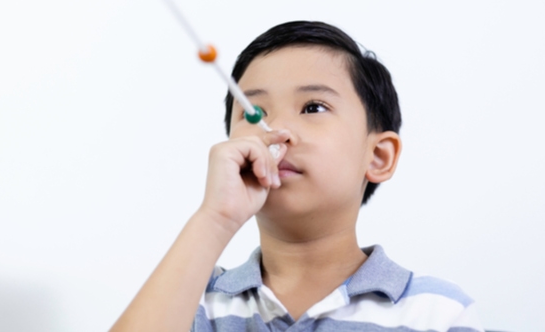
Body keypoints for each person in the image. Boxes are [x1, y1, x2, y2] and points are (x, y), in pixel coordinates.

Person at [109, 21, 483, 332]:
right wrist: (215, 219)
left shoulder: (436, 313)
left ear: (378, 156)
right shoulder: (191, 304)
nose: (278, 130)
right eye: (253, 112)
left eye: (313, 107)